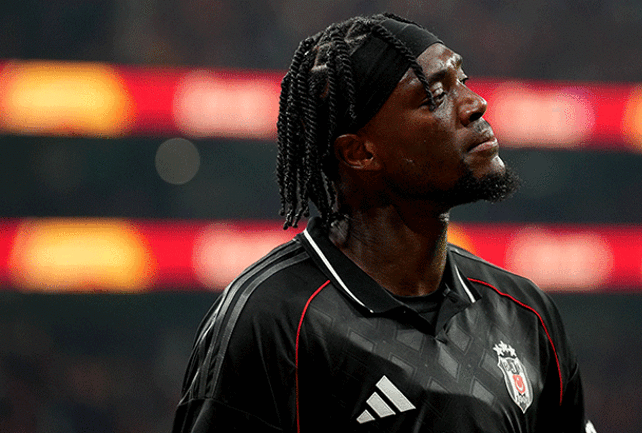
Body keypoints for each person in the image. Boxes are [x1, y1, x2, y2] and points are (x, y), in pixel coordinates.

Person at [173, 12, 595, 432]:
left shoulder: (525, 313)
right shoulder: (273, 320)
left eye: (462, 81)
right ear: (360, 153)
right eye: (435, 95)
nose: (475, 104)